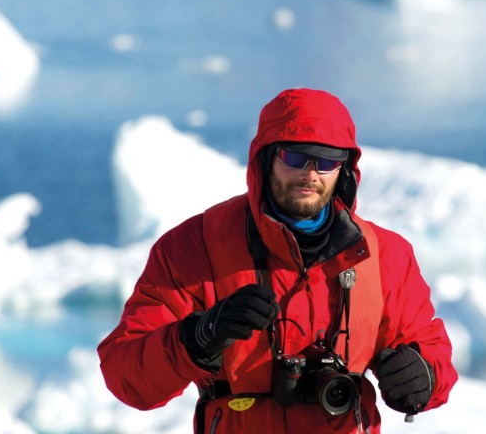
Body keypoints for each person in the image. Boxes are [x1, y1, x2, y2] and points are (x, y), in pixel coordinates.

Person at [98, 88, 458, 434]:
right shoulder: (193, 248)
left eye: (327, 160)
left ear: (345, 169)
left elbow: (430, 352)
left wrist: (422, 377)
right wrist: (198, 336)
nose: (311, 173)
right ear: (266, 157)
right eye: (296, 157)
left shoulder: (384, 255)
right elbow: (126, 377)